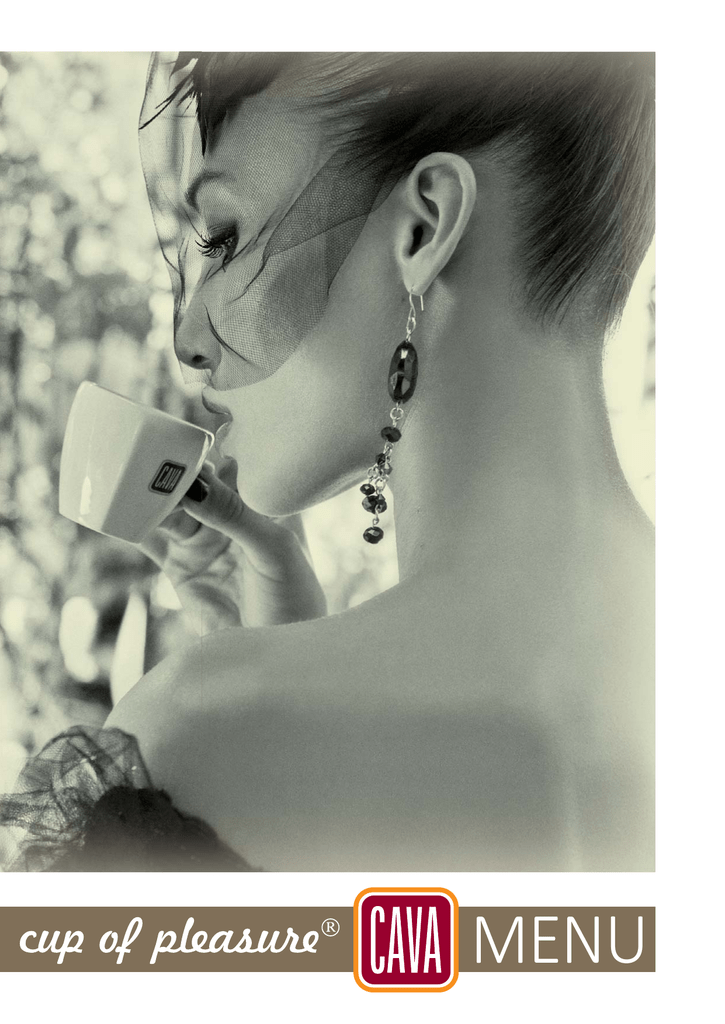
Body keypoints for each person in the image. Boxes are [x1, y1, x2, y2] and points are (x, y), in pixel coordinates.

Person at [1, 51, 655, 871]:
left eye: (225, 240)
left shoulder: (203, 731)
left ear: (424, 227)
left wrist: (254, 693)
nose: (189, 340)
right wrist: (279, 648)